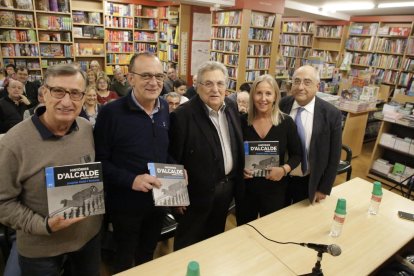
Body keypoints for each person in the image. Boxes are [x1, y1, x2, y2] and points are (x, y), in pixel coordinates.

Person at [0, 64, 102, 276]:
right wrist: (44, 225)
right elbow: (3, 203)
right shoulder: (13, 142)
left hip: (87, 240)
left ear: (83, 98)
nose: (66, 101)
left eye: (75, 93)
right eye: (58, 91)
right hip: (40, 250)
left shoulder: (85, 128)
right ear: (44, 93)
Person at [94, 52, 170, 273]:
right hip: (125, 203)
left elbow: (165, 151)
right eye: (146, 75)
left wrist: (178, 170)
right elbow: (100, 161)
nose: (154, 82)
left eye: (159, 76)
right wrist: (132, 180)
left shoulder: (164, 108)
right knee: (124, 257)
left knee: (148, 252)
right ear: (130, 78)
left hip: (158, 199)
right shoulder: (111, 113)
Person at [169, 61, 245, 250]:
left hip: (226, 191)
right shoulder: (182, 116)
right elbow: (171, 158)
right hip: (194, 197)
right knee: (187, 245)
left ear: (226, 86)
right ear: (197, 86)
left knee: (214, 242)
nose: (215, 89)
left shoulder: (232, 107)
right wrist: (175, 199)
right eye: (208, 83)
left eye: (220, 84)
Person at [239, 74, 302, 224]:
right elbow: (234, 153)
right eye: (259, 93)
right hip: (246, 189)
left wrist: (284, 170)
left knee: (271, 229)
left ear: (275, 96)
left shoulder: (286, 122)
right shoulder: (241, 121)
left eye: (268, 93)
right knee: (244, 231)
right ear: (252, 95)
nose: (263, 98)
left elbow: (297, 155)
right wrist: (239, 169)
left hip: (275, 189)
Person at [280, 65, 342, 205]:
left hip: (309, 180)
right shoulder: (282, 105)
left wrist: (324, 188)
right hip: (281, 179)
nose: (300, 87)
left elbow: (334, 155)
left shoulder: (332, 114)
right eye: (296, 81)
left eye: (307, 82)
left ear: (318, 86)